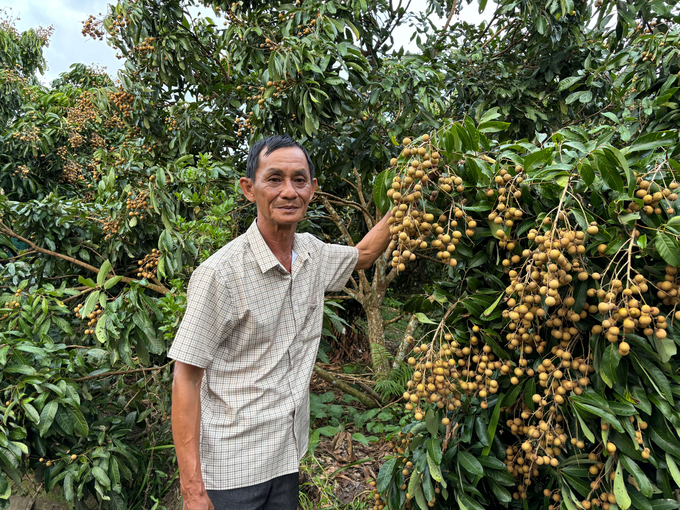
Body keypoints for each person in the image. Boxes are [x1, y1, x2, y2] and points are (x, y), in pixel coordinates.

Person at [169, 135, 392, 510]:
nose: (288, 191)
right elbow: (186, 377)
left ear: (313, 189)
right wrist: (193, 490)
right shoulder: (221, 275)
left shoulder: (312, 254)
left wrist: (409, 197)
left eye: (299, 180)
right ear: (248, 189)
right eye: (274, 179)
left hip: (286, 455)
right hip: (232, 471)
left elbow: (366, 254)